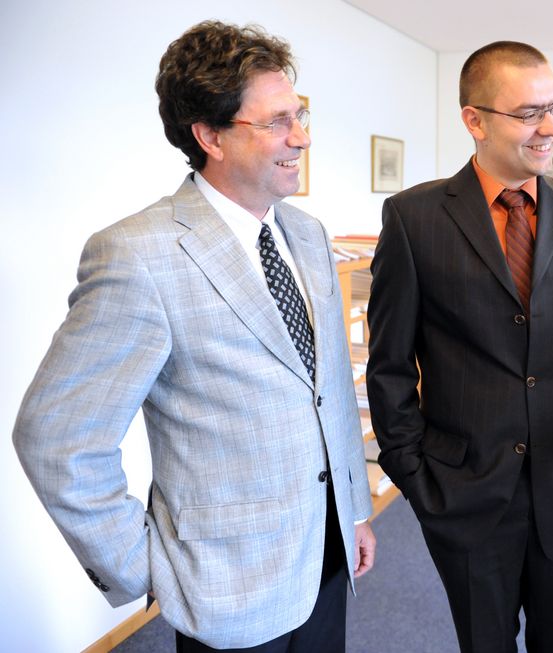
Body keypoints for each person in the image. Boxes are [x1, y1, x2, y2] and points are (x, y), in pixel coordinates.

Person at [13, 20, 375, 652]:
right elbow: (57, 437)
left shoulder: (309, 235)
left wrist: (355, 509)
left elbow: (327, 393)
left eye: (301, 114)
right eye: (277, 123)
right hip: (221, 587)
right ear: (209, 135)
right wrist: (145, 564)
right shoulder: (138, 255)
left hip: (326, 555)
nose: (303, 138)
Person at [366, 41, 553, 652]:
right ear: (475, 119)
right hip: (462, 491)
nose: (549, 128)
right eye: (527, 113)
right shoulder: (414, 219)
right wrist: (414, 476)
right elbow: (388, 366)